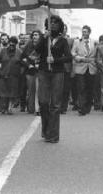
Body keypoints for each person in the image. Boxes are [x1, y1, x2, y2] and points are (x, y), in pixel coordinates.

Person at [38, 15, 71, 143]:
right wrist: (43, 38)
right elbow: (36, 50)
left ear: (60, 25)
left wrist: (55, 60)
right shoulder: (44, 38)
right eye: (50, 22)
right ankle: (46, 130)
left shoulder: (62, 41)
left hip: (57, 73)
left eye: (55, 23)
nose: (53, 25)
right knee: (43, 102)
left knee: (56, 105)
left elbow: (68, 57)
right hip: (43, 72)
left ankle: (54, 135)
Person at [71, 25, 98, 116]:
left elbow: (97, 54)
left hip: (91, 68)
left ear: (89, 32)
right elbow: (73, 53)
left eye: (85, 31)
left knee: (90, 89)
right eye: (83, 31)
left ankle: (88, 107)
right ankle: (81, 108)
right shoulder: (77, 42)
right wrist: (81, 58)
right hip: (80, 68)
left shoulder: (94, 42)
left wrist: (94, 62)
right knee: (81, 88)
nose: (83, 33)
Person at [0, 36, 22, 114]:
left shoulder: (19, 52)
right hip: (3, 75)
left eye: (13, 45)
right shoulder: (3, 51)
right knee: (4, 92)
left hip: (14, 76)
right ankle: (4, 107)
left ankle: (9, 108)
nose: (11, 46)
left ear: (16, 45)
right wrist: (0, 71)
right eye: (10, 44)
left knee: (12, 93)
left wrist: (19, 73)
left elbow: (22, 64)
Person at [22, 31, 42, 114]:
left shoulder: (43, 45)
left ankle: (39, 108)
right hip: (30, 71)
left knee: (40, 90)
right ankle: (31, 108)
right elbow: (23, 58)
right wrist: (29, 65)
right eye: (33, 35)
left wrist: (39, 64)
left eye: (36, 35)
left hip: (40, 71)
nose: (34, 36)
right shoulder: (28, 46)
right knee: (31, 90)